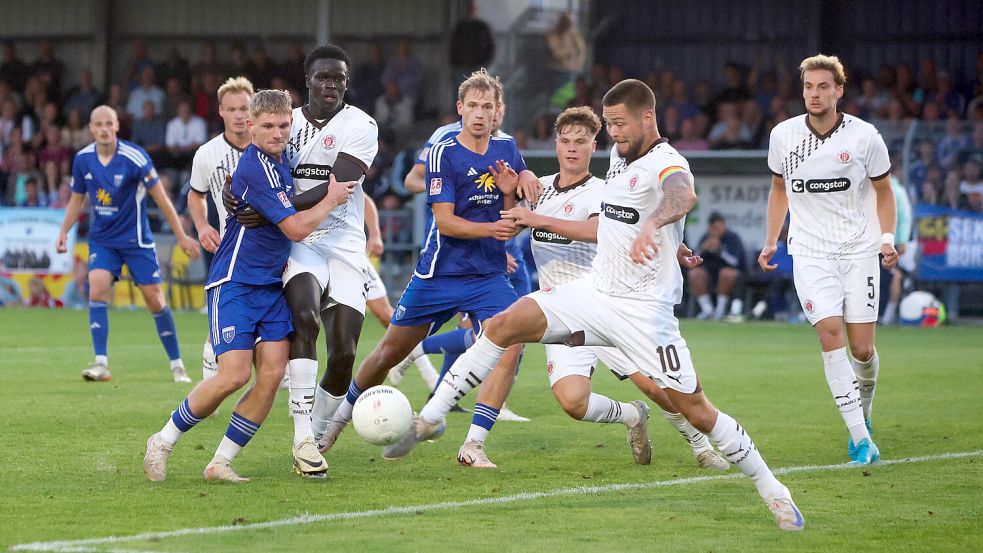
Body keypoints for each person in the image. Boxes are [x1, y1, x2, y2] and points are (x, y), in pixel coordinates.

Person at [383, 79, 805, 532]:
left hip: (645, 312)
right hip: (595, 292)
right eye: (609, 125)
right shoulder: (620, 155)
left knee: (695, 407)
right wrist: (668, 241)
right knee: (507, 323)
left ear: (648, 117)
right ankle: (429, 420)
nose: (614, 133)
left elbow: (683, 196)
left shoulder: (667, 160)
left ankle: (773, 491)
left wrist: (660, 227)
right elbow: (623, 217)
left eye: (619, 124)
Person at [477, 106, 730, 469]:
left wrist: (672, 245)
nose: (572, 149)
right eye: (566, 141)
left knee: (655, 384)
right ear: (556, 144)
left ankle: (702, 446)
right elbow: (509, 228)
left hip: (608, 301)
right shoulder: (539, 190)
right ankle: (631, 416)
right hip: (562, 311)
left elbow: (605, 230)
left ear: (594, 145)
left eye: (581, 142)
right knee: (572, 402)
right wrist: (507, 197)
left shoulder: (605, 190)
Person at [317, 69, 538, 455]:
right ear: (460, 109)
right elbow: (447, 223)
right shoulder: (443, 151)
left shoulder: (508, 151)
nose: (481, 113)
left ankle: (473, 444)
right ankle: (336, 422)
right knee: (389, 352)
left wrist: (513, 198)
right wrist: (494, 232)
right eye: (473, 106)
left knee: (512, 342)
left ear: (497, 110)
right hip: (439, 274)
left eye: (488, 106)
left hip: (487, 274)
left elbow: (510, 216)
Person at [142, 89, 356, 483]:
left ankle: (220, 461)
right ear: (250, 127)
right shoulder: (256, 166)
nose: (277, 132)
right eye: (269, 126)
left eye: (284, 125)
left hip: (272, 286)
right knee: (234, 375)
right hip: (235, 281)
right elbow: (294, 226)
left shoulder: (284, 159)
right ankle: (163, 440)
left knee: (273, 374)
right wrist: (331, 198)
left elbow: (291, 202)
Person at [759, 54, 897, 466]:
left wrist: (887, 238)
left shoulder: (864, 136)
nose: (814, 94)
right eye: (808, 87)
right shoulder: (783, 136)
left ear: (839, 90)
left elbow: (885, 192)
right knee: (829, 333)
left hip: (859, 251)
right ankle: (859, 440)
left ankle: (865, 412)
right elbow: (779, 189)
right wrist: (771, 241)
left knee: (863, 350)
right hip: (809, 253)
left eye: (823, 87)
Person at [250, 45, 380, 477]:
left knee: (343, 351)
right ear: (307, 79)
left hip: (343, 241)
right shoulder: (286, 123)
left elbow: (339, 184)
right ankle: (303, 436)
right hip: (301, 240)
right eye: (323, 76)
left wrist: (271, 203)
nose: (331, 84)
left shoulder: (361, 125)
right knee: (303, 318)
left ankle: (320, 433)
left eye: (339, 78)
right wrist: (264, 201)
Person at [56, 105, 199, 382]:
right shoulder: (83, 159)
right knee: (96, 288)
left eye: (109, 123)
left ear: (117, 126)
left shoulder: (135, 157)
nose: (104, 129)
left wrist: (181, 235)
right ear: (91, 128)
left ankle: (177, 364)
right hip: (103, 240)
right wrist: (64, 231)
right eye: (99, 125)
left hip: (136, 241)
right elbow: (76, 199)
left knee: (154, 300)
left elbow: (161, 198)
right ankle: (101, 363)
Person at [186, 76, 254, 382]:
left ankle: (286, 370)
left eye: (245, 108)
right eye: (232, 109)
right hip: (231, 243)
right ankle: (211, 352)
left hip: (275, 240)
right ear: (221, 112)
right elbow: (195, 194)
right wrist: (201, 226)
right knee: (229, 306)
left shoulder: (274, 144)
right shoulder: (207, 154)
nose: (240, 114)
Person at [689, 212, 748, 321]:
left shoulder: (732, 238)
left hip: (732, 276)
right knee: (695, 274)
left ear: (723, 225)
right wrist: (703, 248)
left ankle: (720, 312)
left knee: (725, 273)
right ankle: (707, 310)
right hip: (710, 274)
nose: (716, 230)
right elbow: (693, 260)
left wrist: (720, 250)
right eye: (713, 228)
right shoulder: (706, 238)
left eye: (718, 227)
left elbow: (735, 262)